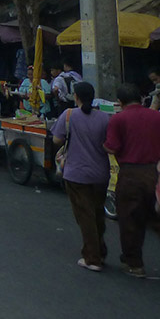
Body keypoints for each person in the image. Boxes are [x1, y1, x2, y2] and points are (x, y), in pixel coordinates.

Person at [104, 84, 160, 291]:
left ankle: (134, 265)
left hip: (130, 175)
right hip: (156, 173)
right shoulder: (159, 117)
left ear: (120, 102)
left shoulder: (118, 119)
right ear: (142, 99)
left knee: (130, 220)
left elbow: (111, 147)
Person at [51, 82, 111, 272]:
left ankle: (92, 258)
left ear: (75, 96)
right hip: (100, 173)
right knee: (97, 212)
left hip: (76, 173)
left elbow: (56, 139)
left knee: (85, 216)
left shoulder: (69, 115)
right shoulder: (104, 118)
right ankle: (100, 250)